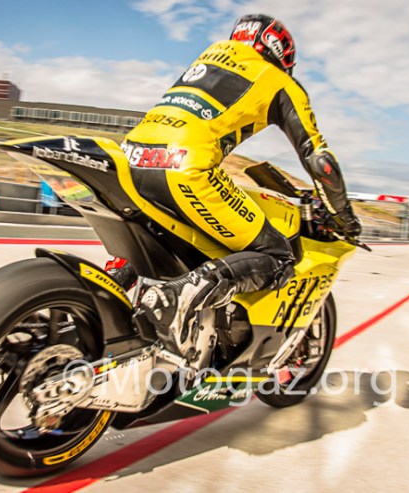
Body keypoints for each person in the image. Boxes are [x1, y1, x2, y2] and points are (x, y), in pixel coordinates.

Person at [124, 14, 361, 359]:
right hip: (185, 168)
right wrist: (343, 216)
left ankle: (119, 287)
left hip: (131, 159)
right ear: (282, 54)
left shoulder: (211, 58)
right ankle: (178, 297)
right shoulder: (278, 80)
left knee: (170, 241)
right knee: (278, 256)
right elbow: (319, 161)